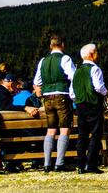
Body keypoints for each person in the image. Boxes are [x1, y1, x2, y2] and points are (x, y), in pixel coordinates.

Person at [33, 33, 77, 173]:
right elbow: (73, 77)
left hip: (47, 97)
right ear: (62, 45)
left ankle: (47, 163)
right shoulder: (65, 59)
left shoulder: (43, 61)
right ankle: (59, 163)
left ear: (50, 45)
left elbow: (37, 82)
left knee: (51, 129)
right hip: (62, 95)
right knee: (64, 128)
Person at [71, 43, 108, 174]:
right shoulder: (95, 69)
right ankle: (91, 164)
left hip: (80, 105)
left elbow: (72, 93)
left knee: (83, 135)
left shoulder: (77, 70)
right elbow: (98, 87)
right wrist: (106, 93)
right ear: (92, 54)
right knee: (96, 134)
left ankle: (80, 164)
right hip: (93, 103)